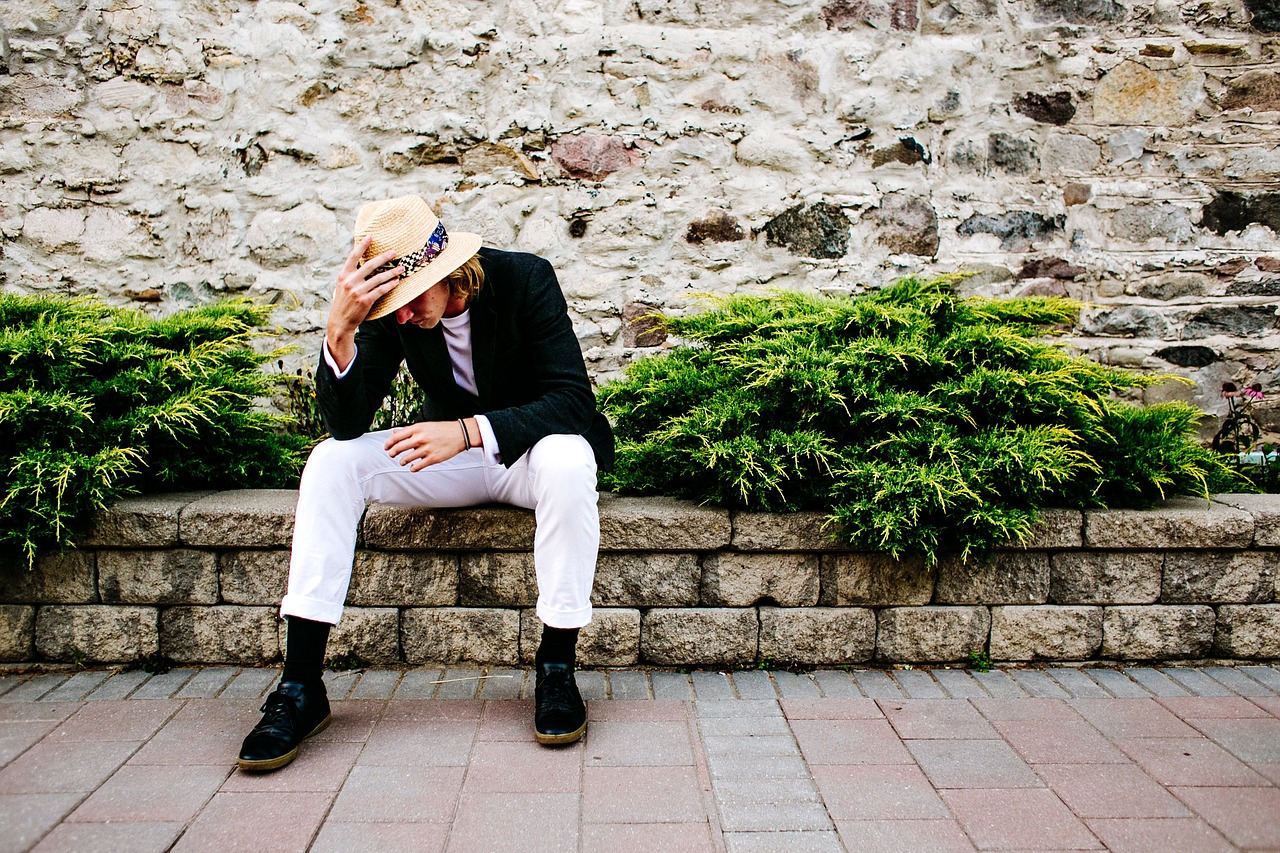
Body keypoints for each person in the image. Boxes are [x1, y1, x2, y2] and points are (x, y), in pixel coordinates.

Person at [237, 195, 613, 771]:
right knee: (331, 462)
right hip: (455, 462)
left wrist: (467, 431)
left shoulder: (526, 278)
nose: (403, 319)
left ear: (445, 273)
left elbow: (571, 401)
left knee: (570, 458)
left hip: (530, 453)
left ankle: (557, 669)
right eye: (389, 309)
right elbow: (347, 425)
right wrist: (340, 334)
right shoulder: (397, 313)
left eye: (408, 303)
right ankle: (300, 686)